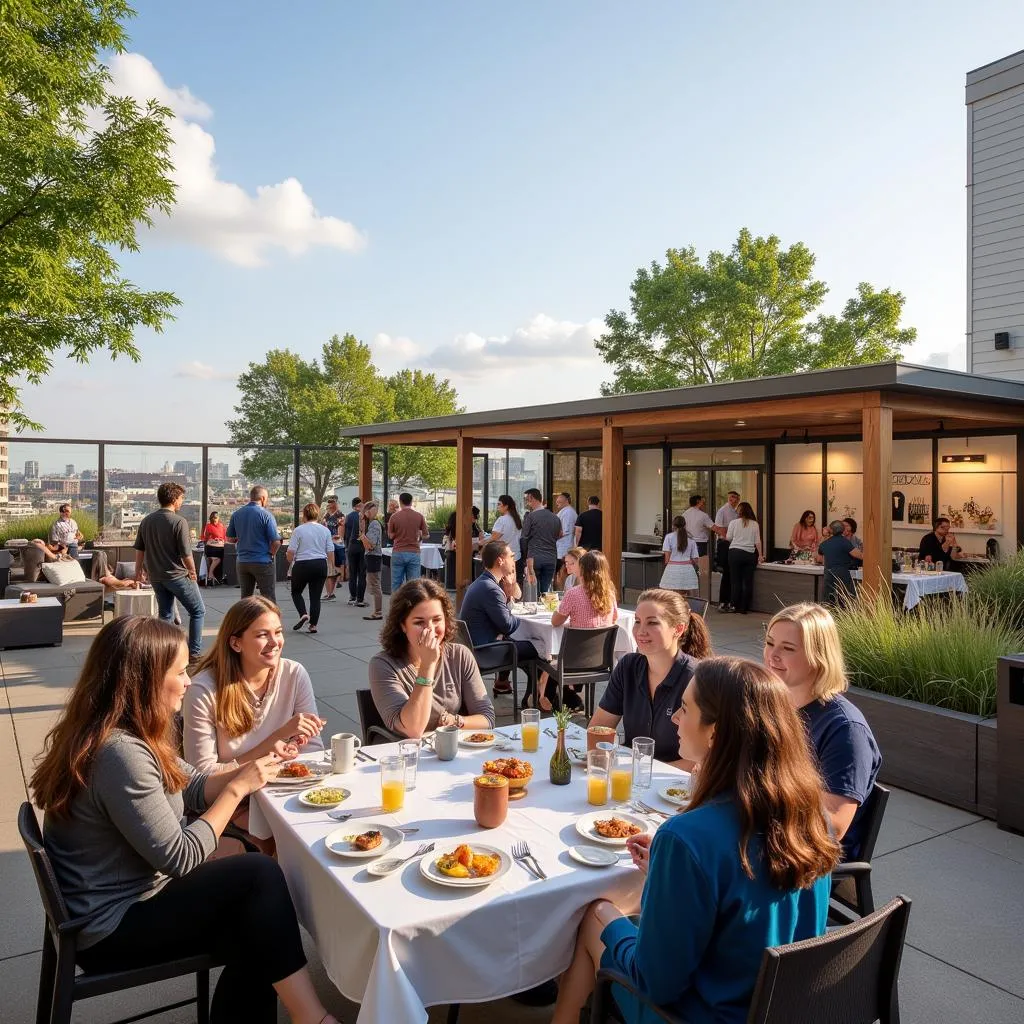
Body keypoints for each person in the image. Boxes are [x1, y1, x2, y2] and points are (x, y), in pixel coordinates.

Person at [30, 616, 339, 1024]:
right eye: (179, 672)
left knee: (261, 921)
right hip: (112, 926)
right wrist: (236, 789)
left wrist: (259, 765)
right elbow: (179, 858)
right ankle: (313, 1018)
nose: (189, 682)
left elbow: (193, 785)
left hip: (117, 901)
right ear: (145, 679)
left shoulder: (125, 730)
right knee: (259, 878)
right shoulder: (119, 753)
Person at [551, 657, 840, 1024]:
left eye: (685, 709)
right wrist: (671, 869)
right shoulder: (813, 817)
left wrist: (614, 922)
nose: (674, 718)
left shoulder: (688, 838)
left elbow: (657, 983)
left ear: (715, 733)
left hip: (701, 1012)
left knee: (597, 913)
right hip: (780, 1005)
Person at [764, 603, 882, 860]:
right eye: (770, 643)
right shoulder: (775, 706)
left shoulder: (845, 729)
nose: (772, 655)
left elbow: (833, 826)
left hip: (805, 857)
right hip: (763, 832)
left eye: (788, 648)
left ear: (819, 658)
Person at [587, 588, 712, 767]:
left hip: (674, 785)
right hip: (628, 776)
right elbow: (598, 729)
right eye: (637, 621)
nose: (640, 631)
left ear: (678, 629)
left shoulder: (698, 678)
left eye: (652, 623)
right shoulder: (628, 666)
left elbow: (703, 759)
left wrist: (643, 773)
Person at [368, 578, 495, 738]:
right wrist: (427, 665)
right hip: (408, 756)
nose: (430, 629)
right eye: (419, 622)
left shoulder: (460, 655)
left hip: (452, 753)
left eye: (437, 620)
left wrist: (456, 721)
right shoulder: (383, 665)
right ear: (402, 625)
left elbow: (487, 719)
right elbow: (413, 730)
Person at [459, 540, 548, 704]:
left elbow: (504, 621)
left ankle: (532, 696)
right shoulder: (491, 588)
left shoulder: (483, 583)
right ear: (500, 560)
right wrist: (518, 615)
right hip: (486, 652)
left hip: (477, 648)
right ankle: (540, 697)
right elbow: (507, 625)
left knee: (532, 645)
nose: (513, 560)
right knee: (543, 645)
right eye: (511, 556)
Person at [134, 482, 206, 663]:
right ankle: (194, 653)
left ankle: (165, 653)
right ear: (174, 499)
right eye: (181, 498)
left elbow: (140, 550)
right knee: (198, 611)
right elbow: (186, 553)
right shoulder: (178, 521)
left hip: (156, 576)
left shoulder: (147, 521)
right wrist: (192, 571)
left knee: (165, 614)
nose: (182, 501)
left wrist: (138, 572)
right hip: (177, 575)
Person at [541, 549, 620, 712]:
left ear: (582, 569)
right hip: (600, 661)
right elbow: (613, 620)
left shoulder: (574, 594)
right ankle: (569, 698)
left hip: (573, 662)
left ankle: (544, 698)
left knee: (543, 657)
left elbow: (555, 621)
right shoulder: (610, 594)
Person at [285, 503, 335, 634]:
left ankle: (303, 614)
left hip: (302, 564)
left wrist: (290, 560)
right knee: (315, 596)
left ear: (304, 515)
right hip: (320, 564)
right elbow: (330, 551)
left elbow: (291, 552)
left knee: (296, 592)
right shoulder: (325, 530)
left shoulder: (299, 530)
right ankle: (313, 625)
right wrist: (331, 567)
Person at [226, 486, 281, 602]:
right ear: (262, 498)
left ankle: (246, 620)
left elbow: (230, 539)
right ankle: (271, 620)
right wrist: (271, 554)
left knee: (246, 599)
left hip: (242, 561)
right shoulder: (266, 515)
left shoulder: (236, 514)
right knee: (268, 598)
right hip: (262, 561)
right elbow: (276, 542)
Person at [521, 487, 561, 595]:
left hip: (534, 557)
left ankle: (535, 610)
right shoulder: (555, 518)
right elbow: (558, 536)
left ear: (531, 498)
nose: (526, 502)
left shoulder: (531, 516)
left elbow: (524, 538)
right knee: (545, 592)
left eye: (526, 499)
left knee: (532, 591)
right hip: (551, 557)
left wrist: (525, 558)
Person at [725, 501, 763, 615]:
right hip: (749, 554)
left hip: (735, 553)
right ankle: (744, 608)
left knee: (735, 581)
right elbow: (757, 541)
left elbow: (728, 538)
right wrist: (760, 555)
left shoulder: (733, 523)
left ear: (739, 512)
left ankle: (733, 605)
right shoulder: (755, 524)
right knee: (748, 582)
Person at [387, 492, 430, 590]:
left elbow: (390, 535)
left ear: (400, 502)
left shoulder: (394, 517)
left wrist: (398, 533)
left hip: (398, 552)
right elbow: (426, 535)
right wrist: (419, 535)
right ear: (411, 502)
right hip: (414, 552)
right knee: (414, 586)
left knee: (396, 584)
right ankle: (413, 605)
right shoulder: (419, 516)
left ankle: (396, 605)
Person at [817, 519, 862, 605]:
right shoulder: (844, 542)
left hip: (828, 573)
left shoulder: (824, 543)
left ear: (831, 530)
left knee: (828, 600)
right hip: (842, 573)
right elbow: (858, 555)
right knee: (846, 599)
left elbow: (819, 559)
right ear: (842, 530)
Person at [714, 490, 741, 611]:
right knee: (726, 574)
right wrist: (728, 537)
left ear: (738, 499)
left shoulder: (736, 512)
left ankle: (730, 600)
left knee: (731, 574)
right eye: (730, 496)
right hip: (725, 544)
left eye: (734, 497)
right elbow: (719, 528)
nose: (732, 498)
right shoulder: (723, 510)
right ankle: (723, 602)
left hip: (734, 544)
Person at [660, 515, 700, 596]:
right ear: (685, 525)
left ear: (673, 525)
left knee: (673, 596)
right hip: (688, 569)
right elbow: (695, 559)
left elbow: (667, 558)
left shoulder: (668, 537)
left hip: (672, 568)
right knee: (687, 596)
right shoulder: (691, 539)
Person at [489, 494, 523, 582]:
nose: (497, 506)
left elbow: (494, 537)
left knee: (504, 585)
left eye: (499, 504)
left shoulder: (502, 520)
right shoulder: (517, 520)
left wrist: (481, 543)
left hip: (504, 557)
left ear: (506, 506)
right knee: (514, 585)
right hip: (517, 556)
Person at [682, 495, 715, 585]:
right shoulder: (703, 515)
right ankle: (698, 587)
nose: (703, 503)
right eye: (702, 501)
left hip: (687, 543)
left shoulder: (685, 514)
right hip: (700, 544)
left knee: (689, 566)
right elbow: (713, 527)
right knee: (700, 567)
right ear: (698, 501)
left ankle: (689, 587)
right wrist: (725, 533)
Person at [361, 500, 384, 620]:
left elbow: (370, 545)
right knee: (374, 583)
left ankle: (378, 612)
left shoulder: (374, 524)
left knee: (374, 584)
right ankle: (377, 611)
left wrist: (362, 536)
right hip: (373, 557)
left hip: (373, 557)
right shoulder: (374, 523)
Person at [321, 496, 347, 598]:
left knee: (335, 564)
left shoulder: (340, 515)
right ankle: (331, 591)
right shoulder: (326, 515)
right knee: (330, 565)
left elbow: (340, 533)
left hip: (338, 544)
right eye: (329, 502)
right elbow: (323, 528)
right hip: (329, 543)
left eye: (333, 502)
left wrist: (332, 538)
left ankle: (337, 578)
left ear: (336, 503)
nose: (331, 504)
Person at [343, 496, 367, 608]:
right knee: (362, 573)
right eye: (362, 504)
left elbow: (346, 534)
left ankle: (352, 597)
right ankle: (360, 599)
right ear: (358, 505)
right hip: (362, 547)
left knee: (352, 573)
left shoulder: (348, 517)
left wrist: (347, 546)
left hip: (351, 547)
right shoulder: (364, 516)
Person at [554, 492, 578, 585]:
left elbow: (565, 530)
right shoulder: (565, 511)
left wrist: (553, 537)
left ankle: (563, 591)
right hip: (561, 547)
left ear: (566, 500)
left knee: (563, 572)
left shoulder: (568, 512)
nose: (557, 501)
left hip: (564, 548)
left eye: (560, 499)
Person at [201, 512, 227, 585]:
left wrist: (220, 540)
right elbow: (204, 538)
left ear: (218, 518)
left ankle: (215, 576)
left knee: (221, 558)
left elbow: (224, 538)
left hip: (220, 547)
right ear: (210, 519)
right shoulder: (208, 526)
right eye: (212, 518)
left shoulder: (222, 526)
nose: (214, 519)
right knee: (216, 559)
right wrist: (212, 539)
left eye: (215, 517)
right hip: (211, 547)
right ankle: (210, 575)